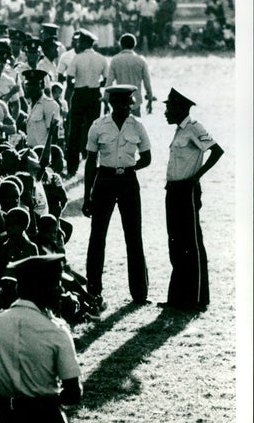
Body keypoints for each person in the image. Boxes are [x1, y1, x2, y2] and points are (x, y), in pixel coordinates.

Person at [0, 254, 82, 423]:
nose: (61, 291)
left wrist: (6, 399)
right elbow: (73, 393)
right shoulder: (55, 330)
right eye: (56, 284)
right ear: (41, 288)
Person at [82, 85, 151, 306]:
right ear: (111, 104)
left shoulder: (138, 126)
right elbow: (91, 161)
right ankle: (93, 289)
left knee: (134, 236)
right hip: (105, 180)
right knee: (97, 236)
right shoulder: (98, 126)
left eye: (128, 104)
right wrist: (87, 196)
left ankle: (139, 293)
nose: (125, 108)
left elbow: (147, 157)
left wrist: (128, 169)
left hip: (128, 182)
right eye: (120, 104)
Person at [162, 88, 224, 311]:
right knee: (176, 243)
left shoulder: (194, 128)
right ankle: (178, 297)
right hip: (173, 190)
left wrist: (195, 178)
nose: (166, 112)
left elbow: (217, 151)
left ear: (181, 108)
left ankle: (197, 299)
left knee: (191, 243)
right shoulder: (179, 130)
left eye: (169, 107)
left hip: (186, 190)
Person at [65, 30, 108, 176]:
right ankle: (92, 164)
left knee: (75, 130)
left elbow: (69, 78)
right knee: (93, 130)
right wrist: (96, 84)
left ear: (83, 43)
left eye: (79, 42)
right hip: (94, 95)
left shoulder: (77, 58)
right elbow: (106, 79)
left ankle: (72, 167)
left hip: (80, 94)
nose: (77, 44)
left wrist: (75, 85)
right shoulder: (101, 59)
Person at [106, 33, 154, 116]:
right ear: (134, 45)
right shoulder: (140, 60)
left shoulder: (115, 60)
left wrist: (106, 99)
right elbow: (147, 81)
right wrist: (150, 99)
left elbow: (109, 82)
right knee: (135, 126)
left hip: (120, 100)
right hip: (136, 99)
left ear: (121, 45)